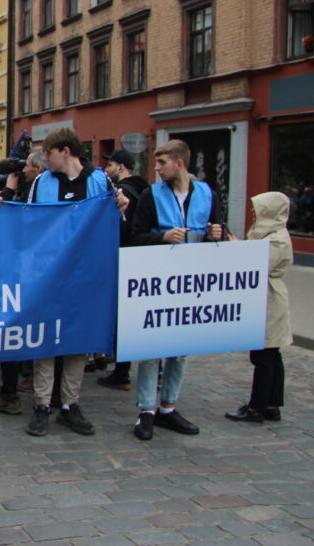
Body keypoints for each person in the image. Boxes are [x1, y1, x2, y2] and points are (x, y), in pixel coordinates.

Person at [17, 127, 127, 437]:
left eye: (48, 153)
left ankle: (70, 404)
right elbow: (27, 222)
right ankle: (41, 404)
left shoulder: (99, 181)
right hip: (49, 274)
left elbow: (111, 224)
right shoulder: (41, 182)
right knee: (45, 338)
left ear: (65, 152)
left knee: (78, 340)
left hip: (86, 274)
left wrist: (120, 207)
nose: (43, 159)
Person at [130, 139, 223, 441]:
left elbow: (219, 231)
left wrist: (216, 233)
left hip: (192, 281)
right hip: (157, 280)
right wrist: (162, 238)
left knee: (180, 349)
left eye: (162, 163)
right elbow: (135, 237)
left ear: (179, 164)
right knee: (151, 348)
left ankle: (168, 407)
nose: (157, 169)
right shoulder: (150, 196)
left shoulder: (207, 193)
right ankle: (146, 410)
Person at [226, 192, 293, 423]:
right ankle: (272, 404)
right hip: (266, 299)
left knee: (264, 356)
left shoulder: (277, 239)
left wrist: (238, 248)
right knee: (272, 355)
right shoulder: (272, 235)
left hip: (269, 302)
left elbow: (256, 263)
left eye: (258, 209)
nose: (254, 214)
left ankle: (257, 407)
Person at [97, 149, 150, 391]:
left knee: (121, 319)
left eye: (110, 165)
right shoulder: (146, 190)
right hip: (140, 258)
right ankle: (143, 370)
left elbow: (118, 228)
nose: (107, 169)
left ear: (120, 167)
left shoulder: (123, 193)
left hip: (122, 256)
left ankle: (121, 372)